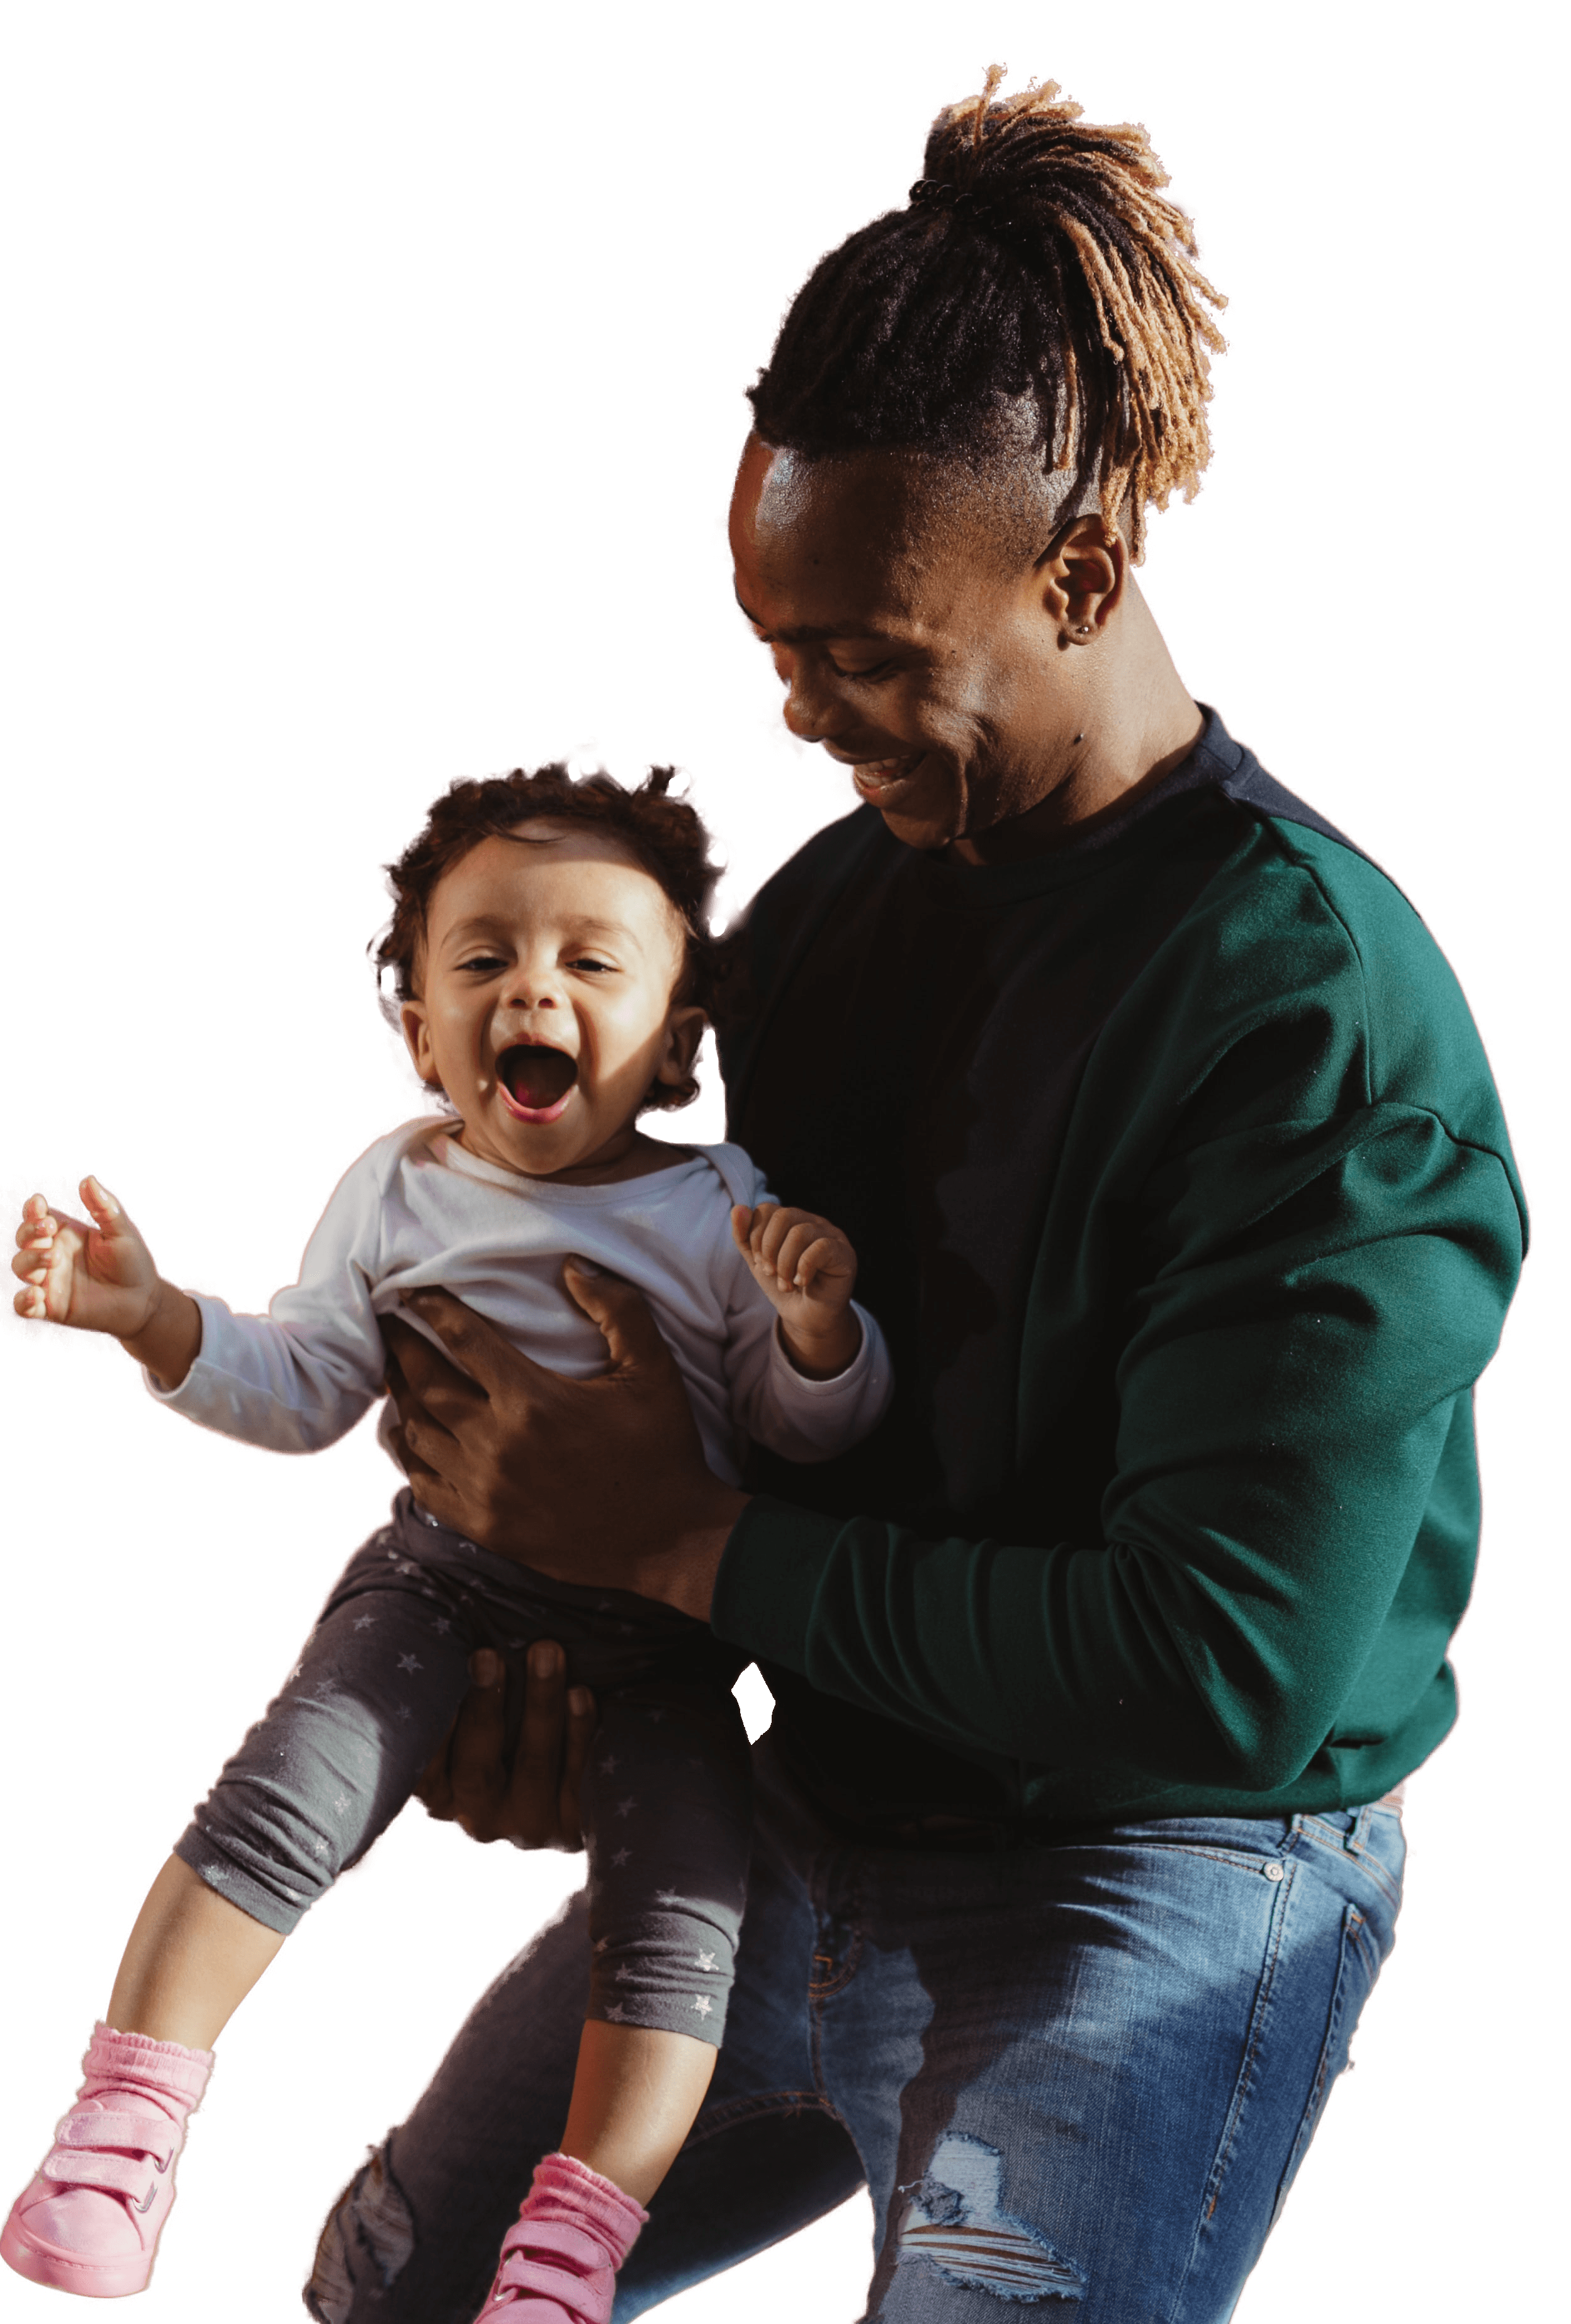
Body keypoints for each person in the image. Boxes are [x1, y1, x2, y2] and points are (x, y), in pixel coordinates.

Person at [294, 64, 1529, 2324]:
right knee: (390, 2280)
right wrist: (544, 1672)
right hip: (817, 1814)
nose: (790, 720)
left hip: (1159, 1873)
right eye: (774, 645)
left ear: (1077, 563)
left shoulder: (1312, 1022)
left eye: (864, 656)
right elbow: (727, 1398)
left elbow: (1221, 1671)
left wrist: (669, 1544)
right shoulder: (834, 920)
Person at [0, 759, 892, 2313]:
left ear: (680, 1038)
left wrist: (819, 1335)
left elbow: (795, 1436)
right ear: (419, 1033)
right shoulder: (400, 1190)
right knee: (291, 1787)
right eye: (481, 960)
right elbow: (303, 1384)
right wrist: (151, 1318)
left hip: (667, 1638)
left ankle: (568, 2250)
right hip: (436, 1580)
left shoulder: (716, 1213)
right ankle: (124, 2120)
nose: (528, 991)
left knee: (686, 1924)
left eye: (588, 963)